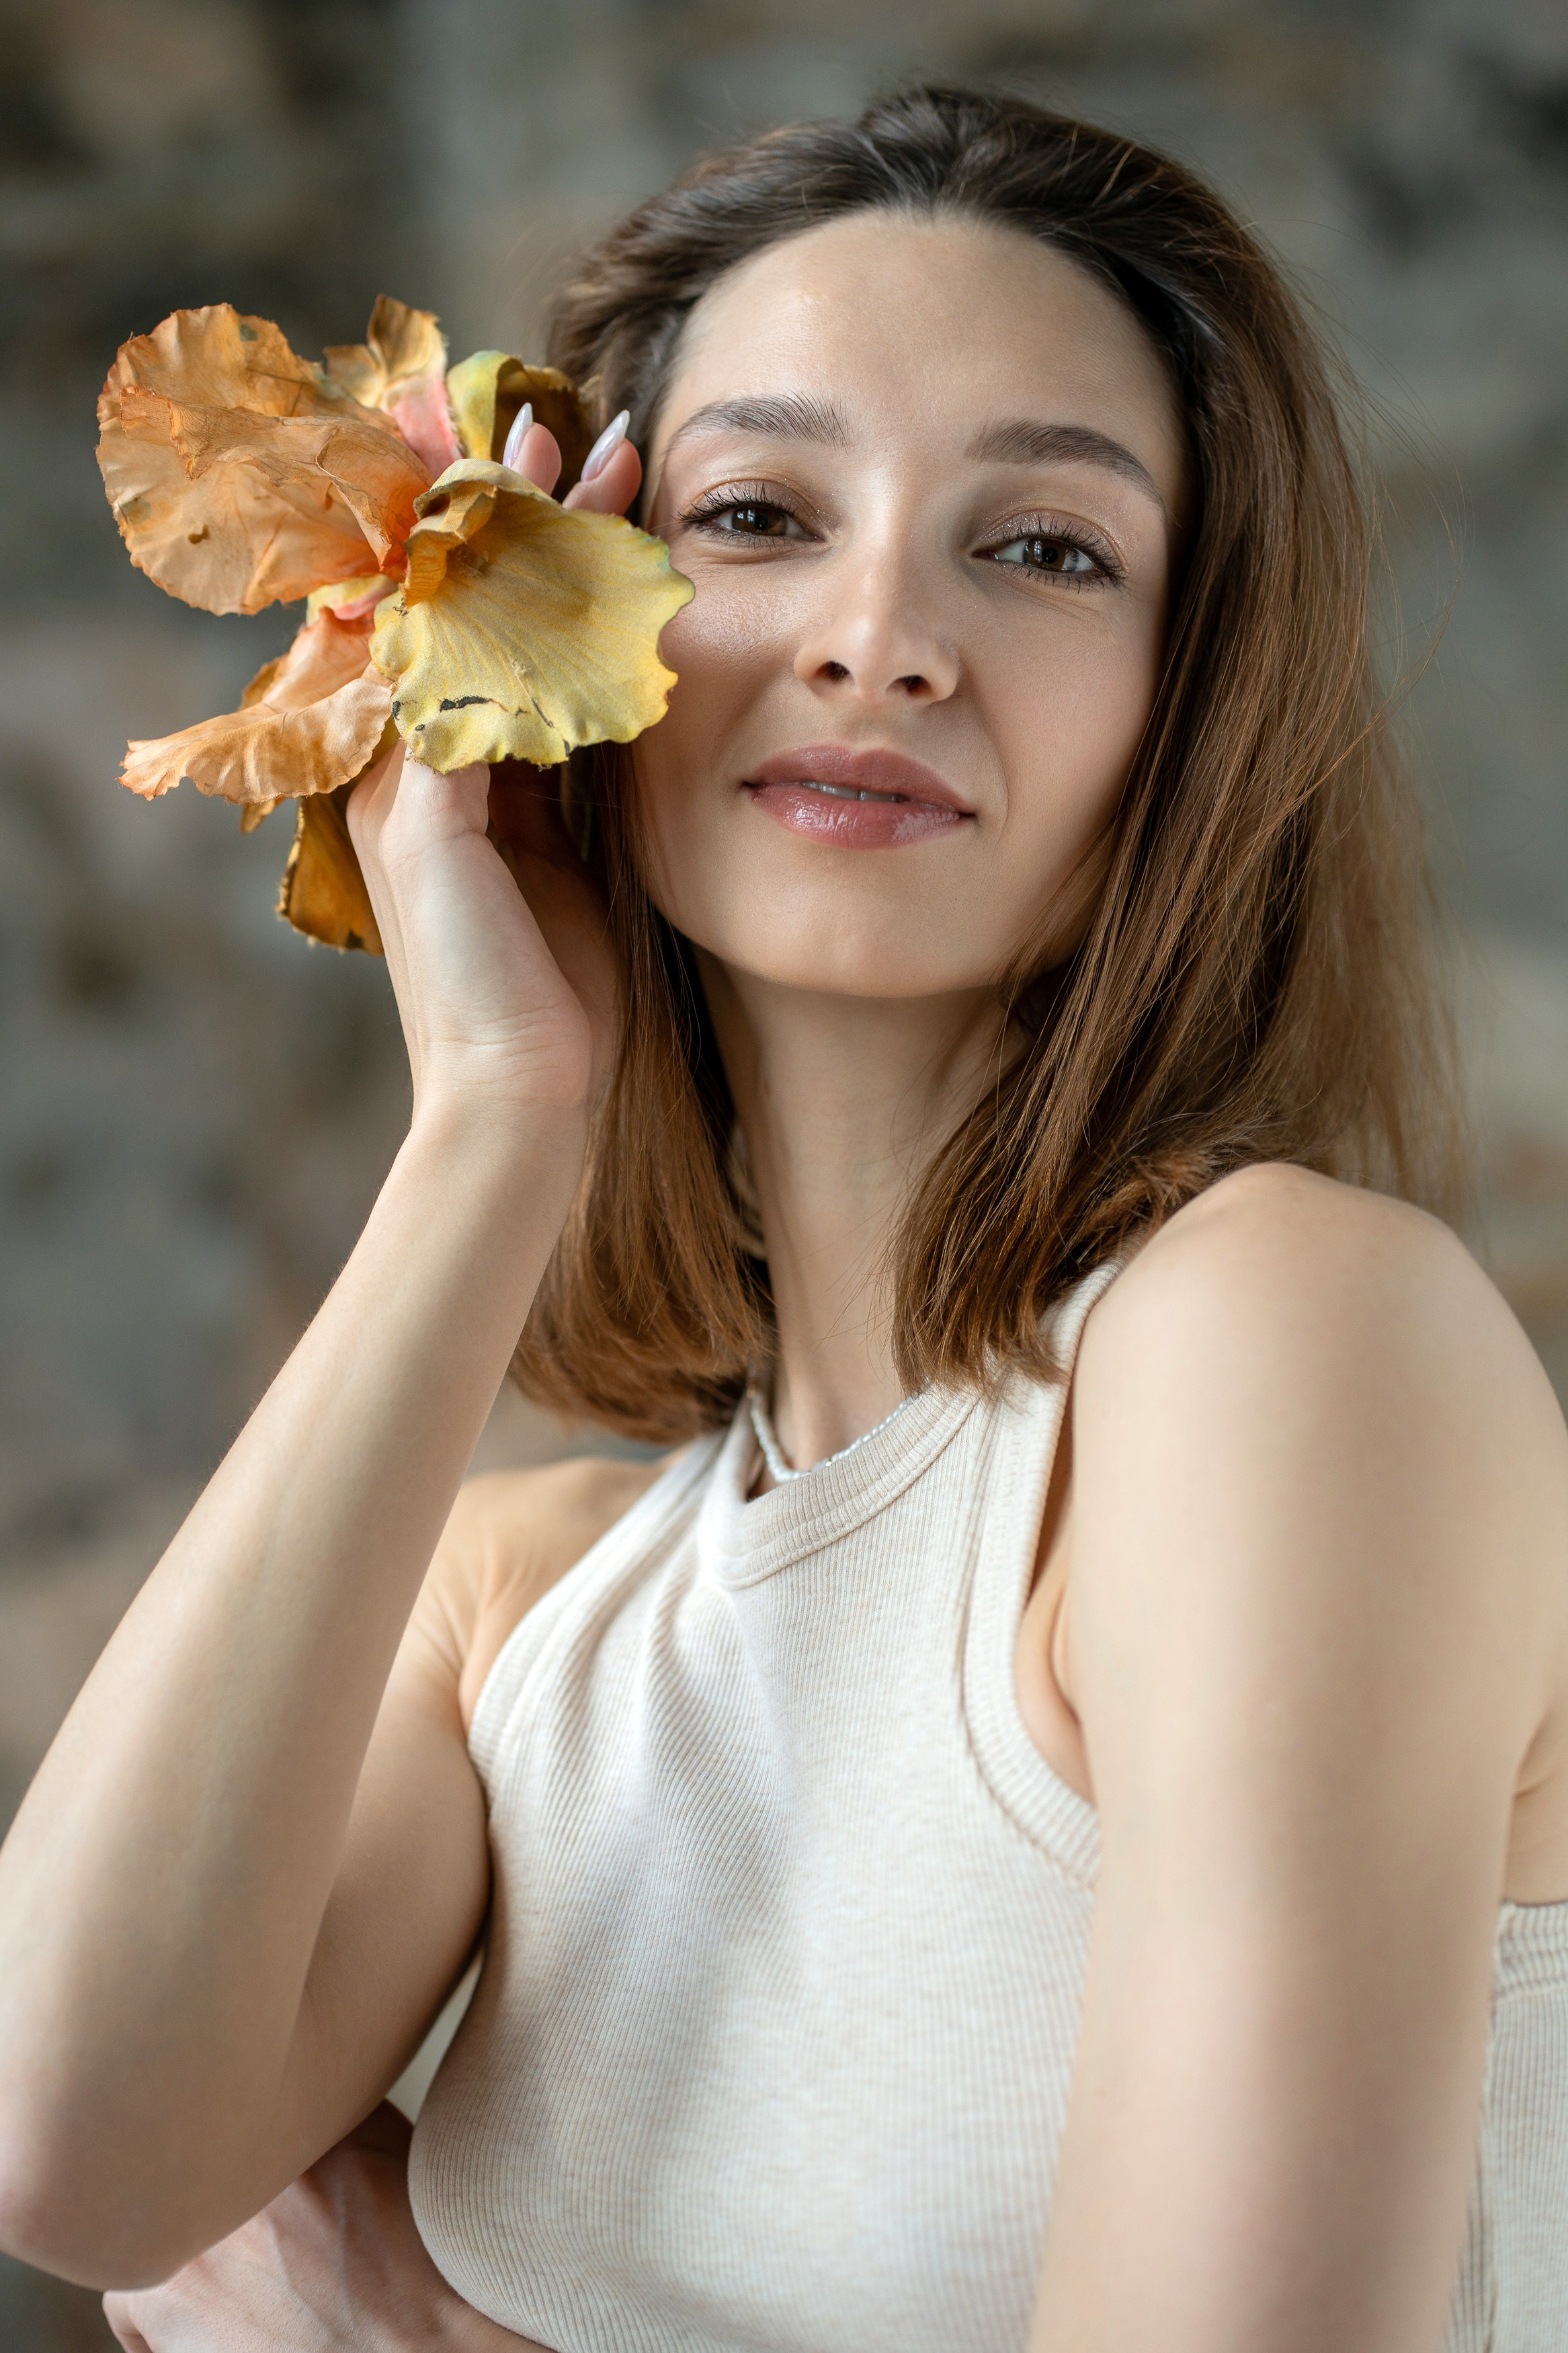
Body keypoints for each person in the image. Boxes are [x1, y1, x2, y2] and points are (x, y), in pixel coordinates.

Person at [1, 83, 1566, 2353]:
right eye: (753, 512)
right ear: (564, 636)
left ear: (1186, 704)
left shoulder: (1283, 1345)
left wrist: (424, 2335)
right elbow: (68, 2139)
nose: (878, 635)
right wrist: (490, 1127)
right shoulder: (519, 1607)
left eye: (1043, 548)